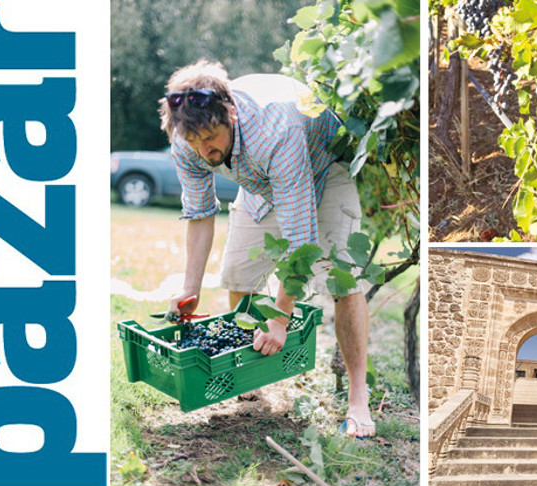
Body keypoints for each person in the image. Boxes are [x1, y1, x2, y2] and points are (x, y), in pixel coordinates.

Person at [158, 60, 375, 438]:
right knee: (238, 275)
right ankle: (250, 375)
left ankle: (359, 397)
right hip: (259, 178)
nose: (204, 150)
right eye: (194, 142)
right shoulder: (187, 141)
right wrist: (190, 287)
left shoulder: (276, 126)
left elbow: (300, 241)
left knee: (344, 283)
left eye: (210, 138)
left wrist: (280, 317)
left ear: (231, 114)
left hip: (322, 166)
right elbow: (200, 214)